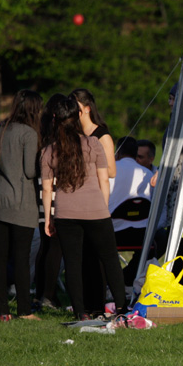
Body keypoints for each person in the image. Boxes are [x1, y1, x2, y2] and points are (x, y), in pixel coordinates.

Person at [41, 96, 127, 320]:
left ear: (54, 120)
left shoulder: (49, 151)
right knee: (110, 260)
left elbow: (48, 189)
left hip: (65, 213)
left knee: (73, 264)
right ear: (77, 116)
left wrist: (49, 218)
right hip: (96, 210)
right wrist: (104, 208)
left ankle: (81, 312)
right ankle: (121, 309)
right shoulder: (93, 143)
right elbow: (104, 180)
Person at [0, 90, 43, 321]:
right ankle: (24, 310)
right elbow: (30, 171)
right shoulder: (29, 133)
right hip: (22, 202)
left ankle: (1, 309)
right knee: (21, 258)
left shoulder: (1, 128)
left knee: (0, 258)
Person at [70, 88, 116, 314]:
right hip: (76, 202)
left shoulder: (102, 135)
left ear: (86, 109)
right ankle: (85, 304)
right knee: (82, 257)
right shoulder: (72, 135)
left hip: (96, 200)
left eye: (76, 107)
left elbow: (112, 171)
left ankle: (98, 303)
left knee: (97, 256)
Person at [33, 93, 67, 310]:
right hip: (53, 194)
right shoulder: (58, 140)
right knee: (56, 247)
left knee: (45, 247)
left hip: (39, 194)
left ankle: (40, 292)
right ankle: (49, 294)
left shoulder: (39, 133)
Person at [108, 136, 152, 285]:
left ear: (117, 152)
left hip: (114, 233)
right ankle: (128, 279)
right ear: (135, 154)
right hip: (142, 236)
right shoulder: (148, 174)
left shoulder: (111, 173)